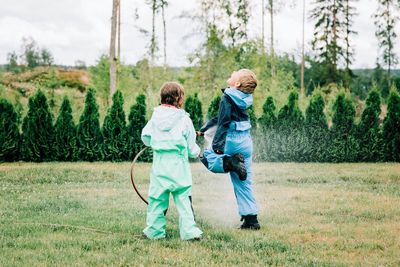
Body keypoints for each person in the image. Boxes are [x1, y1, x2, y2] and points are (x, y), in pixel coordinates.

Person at [198, 69, 260, 230]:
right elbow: (220, 118)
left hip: (231, 140)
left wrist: (218, 146)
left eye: (235, 73)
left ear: (237, 83)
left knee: (206, 157)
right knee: (243, 181)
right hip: (246, 142)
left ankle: (231, 163)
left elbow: (224, 122)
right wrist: (205, 129)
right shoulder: (245, 98)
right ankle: (251, 219)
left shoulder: (228, 97)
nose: (232, 72)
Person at [141, 82, 203, 240]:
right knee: (183, 199)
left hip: (160, 166)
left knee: (156, 199)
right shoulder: (184, 119)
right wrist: (198, 152)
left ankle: (154, 232)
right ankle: (189, 232)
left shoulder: (155, 117)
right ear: (179, 98)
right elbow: (191, 147)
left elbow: (146, 137)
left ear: (162, 98)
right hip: (179, 167)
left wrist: (157, 142)